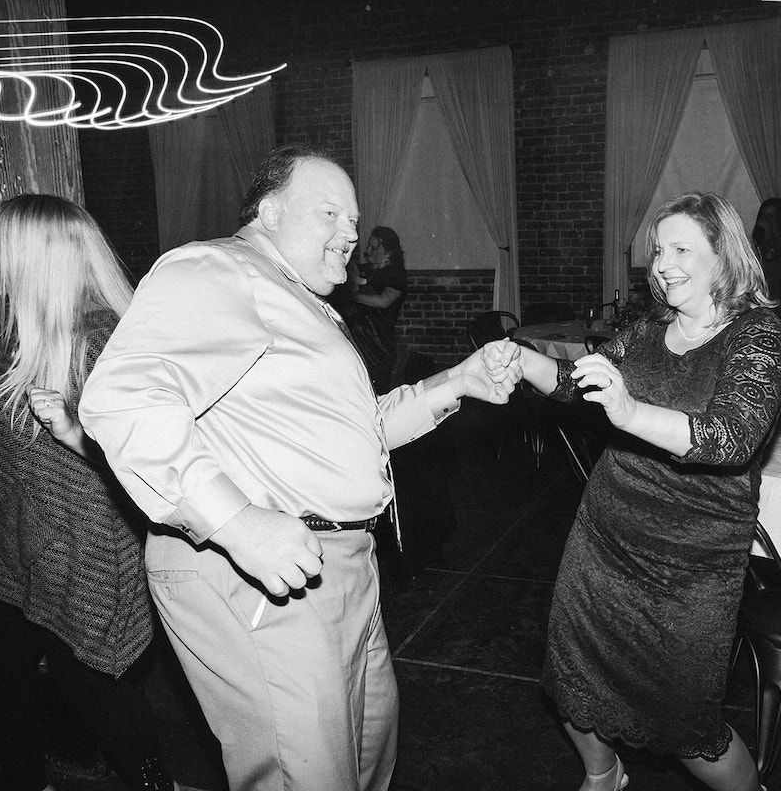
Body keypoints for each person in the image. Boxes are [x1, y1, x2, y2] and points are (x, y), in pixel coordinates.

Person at [77, 144, 519, 791]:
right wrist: (236, 522)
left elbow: (355, 430)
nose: (351, 233)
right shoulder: (216, 268)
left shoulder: (303, 300)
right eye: (329, 212)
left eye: (355, 218)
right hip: (258, 571)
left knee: (364, 762)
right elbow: (123, 397)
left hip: (340, 567)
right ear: (267, 210)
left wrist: (459, 380)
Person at [495, 191, 781, 791]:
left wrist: (630, 412)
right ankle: (603, 776)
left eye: (682, 248)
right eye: (659, 251)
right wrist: (519, 360)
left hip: (693, 561)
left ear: (725, 257)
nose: (663, 263)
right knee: (571, 675)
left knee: (687, 722)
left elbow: (731, 438)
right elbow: (583, 385)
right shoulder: (648, 328)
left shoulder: (757, 335)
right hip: (604, 537)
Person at [0, 194, 176, 791]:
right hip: (5, 548)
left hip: (84, 557)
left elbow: (152, 463)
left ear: (35, 257)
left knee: (96, 692)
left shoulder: (107, 340)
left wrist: (72, 432)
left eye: (0, 245)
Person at [349, 225, 408, 393]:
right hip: (361, 343)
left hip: (379, 346)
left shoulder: (397, 274)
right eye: (368, 246)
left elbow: (384, 301)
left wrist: (351, 296)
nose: (367, 251)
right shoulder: (369, 271)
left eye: (373, 248)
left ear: (388, 253)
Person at [750, 197, 781, 319]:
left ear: (779, 218)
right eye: (764, 216)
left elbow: (770, 261)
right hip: (757, 298)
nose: (766, 221)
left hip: (772, 299)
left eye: (771, 216)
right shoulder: (758, 239)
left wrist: (769, 231)